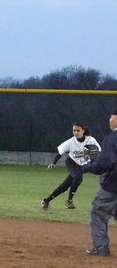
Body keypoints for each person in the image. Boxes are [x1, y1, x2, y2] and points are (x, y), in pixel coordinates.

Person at [81, 108, 117, 256]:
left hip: (113, 185)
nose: (110, 119)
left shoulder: (112, 139)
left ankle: (101, 248)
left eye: (112, 116)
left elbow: (105, 162)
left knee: (98, 212)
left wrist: (87, 167)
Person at [41, 123, 100, 211]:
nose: (76, 132)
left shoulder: (91, 140)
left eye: (78, 130)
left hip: (83, 165)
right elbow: (60, 153)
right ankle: (69, 201)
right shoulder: (71, 142)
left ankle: (46, 201)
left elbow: (98, 151)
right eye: (74, 130)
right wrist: (54, 163)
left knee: (65, 185)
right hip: (71, 162)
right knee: (78, 177)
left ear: (83, 131)